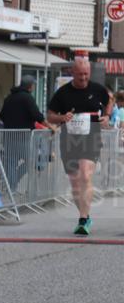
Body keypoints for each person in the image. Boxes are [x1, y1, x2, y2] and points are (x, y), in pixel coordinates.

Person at [46, 59, 113, 235]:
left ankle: (83, 219)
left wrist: (106, 116)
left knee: (85, 174)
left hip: (91, 138)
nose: (83, 78)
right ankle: (85, 215)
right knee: (75, 183)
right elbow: (50, 116)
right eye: (80, 74)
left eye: (86, 74)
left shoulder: (98, 89)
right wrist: (62, 118)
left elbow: (110, 100)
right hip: (69, 141)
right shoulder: (63, 93)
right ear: (72, 73)